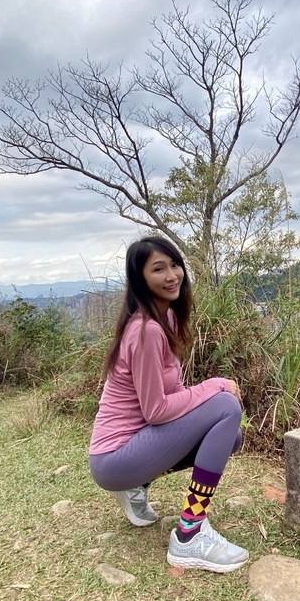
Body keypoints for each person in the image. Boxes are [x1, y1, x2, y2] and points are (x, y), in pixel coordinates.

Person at [88, 236, 249, 573]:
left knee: (230, 436)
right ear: (140, 279)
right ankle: (190, 533)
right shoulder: (145, 331)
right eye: (158, 269)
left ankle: (138, 486)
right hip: (114, 458)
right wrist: (215, 385)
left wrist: (208, 393)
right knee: (225, 406)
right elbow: (156, 411)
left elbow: (173, 391)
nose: (172, 275)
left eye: (174, 265)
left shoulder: (167, 320)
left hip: (134, 449)